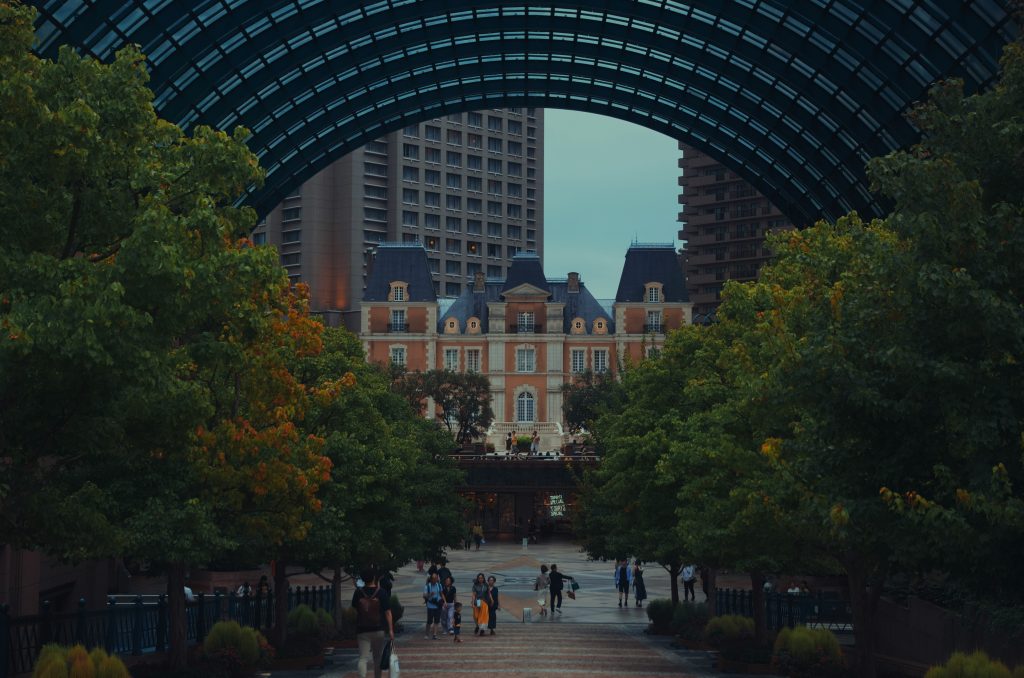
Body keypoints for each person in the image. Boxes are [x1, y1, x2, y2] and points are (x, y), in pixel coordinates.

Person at [352, 567, 394, 678]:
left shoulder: (358, 593)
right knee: (377, 658)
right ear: (374, 578)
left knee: (363, 658)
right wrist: (390, 630)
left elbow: (354, 608)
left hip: (362, 629)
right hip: (378, 629)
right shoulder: (381, 593)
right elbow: (388, 612)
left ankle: (362, 676)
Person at [423, 572, 443, 639]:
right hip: (430, 606)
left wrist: (444, 601)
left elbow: (441, 593)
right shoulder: (427, 586)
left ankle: (434, 635)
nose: (435, 580)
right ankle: (427, 634)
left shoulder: (439, 585)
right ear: (431, 579)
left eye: (436, 578)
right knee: (429, 621)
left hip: (438, 605)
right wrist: (430, 594)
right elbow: (424, 595)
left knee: (436, 621)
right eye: (434, 578)